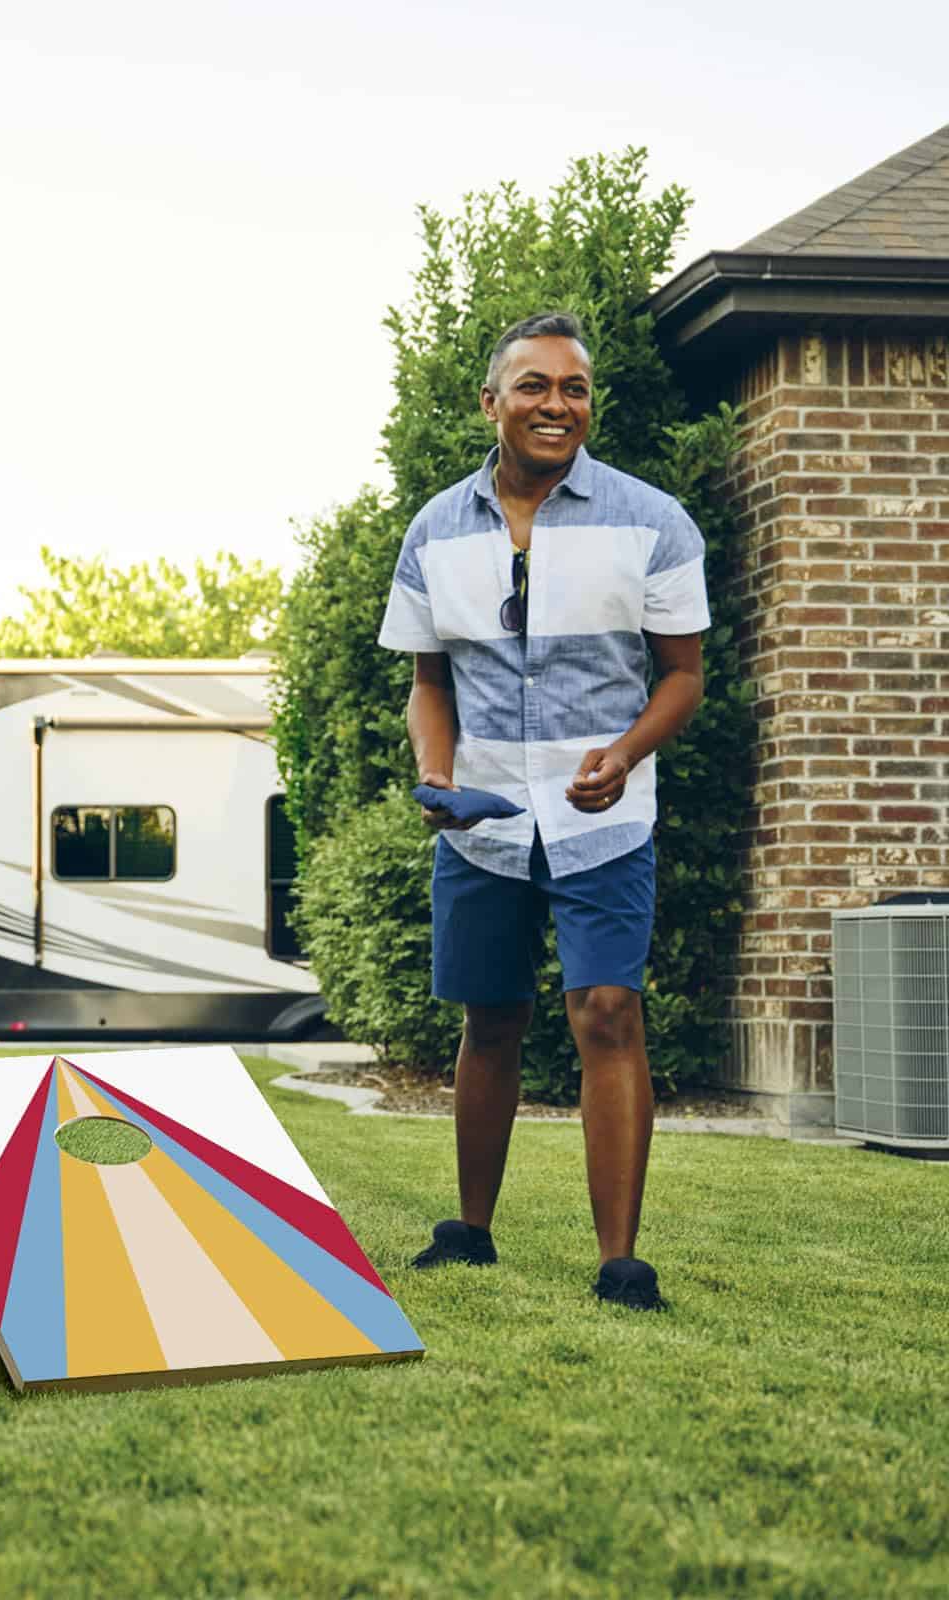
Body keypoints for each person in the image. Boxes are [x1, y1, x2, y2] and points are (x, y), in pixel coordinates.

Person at [378, 310, 709, 1312]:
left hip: (601, 814)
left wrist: (623, 752)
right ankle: (469, 1232)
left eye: (572, 388)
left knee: (606, 1010)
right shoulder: (435, 528)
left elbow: (684, 678)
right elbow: (427, 681)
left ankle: (620, 1262)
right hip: (480, 820)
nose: (554, 405)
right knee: (492, 1019)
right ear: (491, 402)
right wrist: (435, 772)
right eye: (532, 386)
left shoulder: (653, 522)